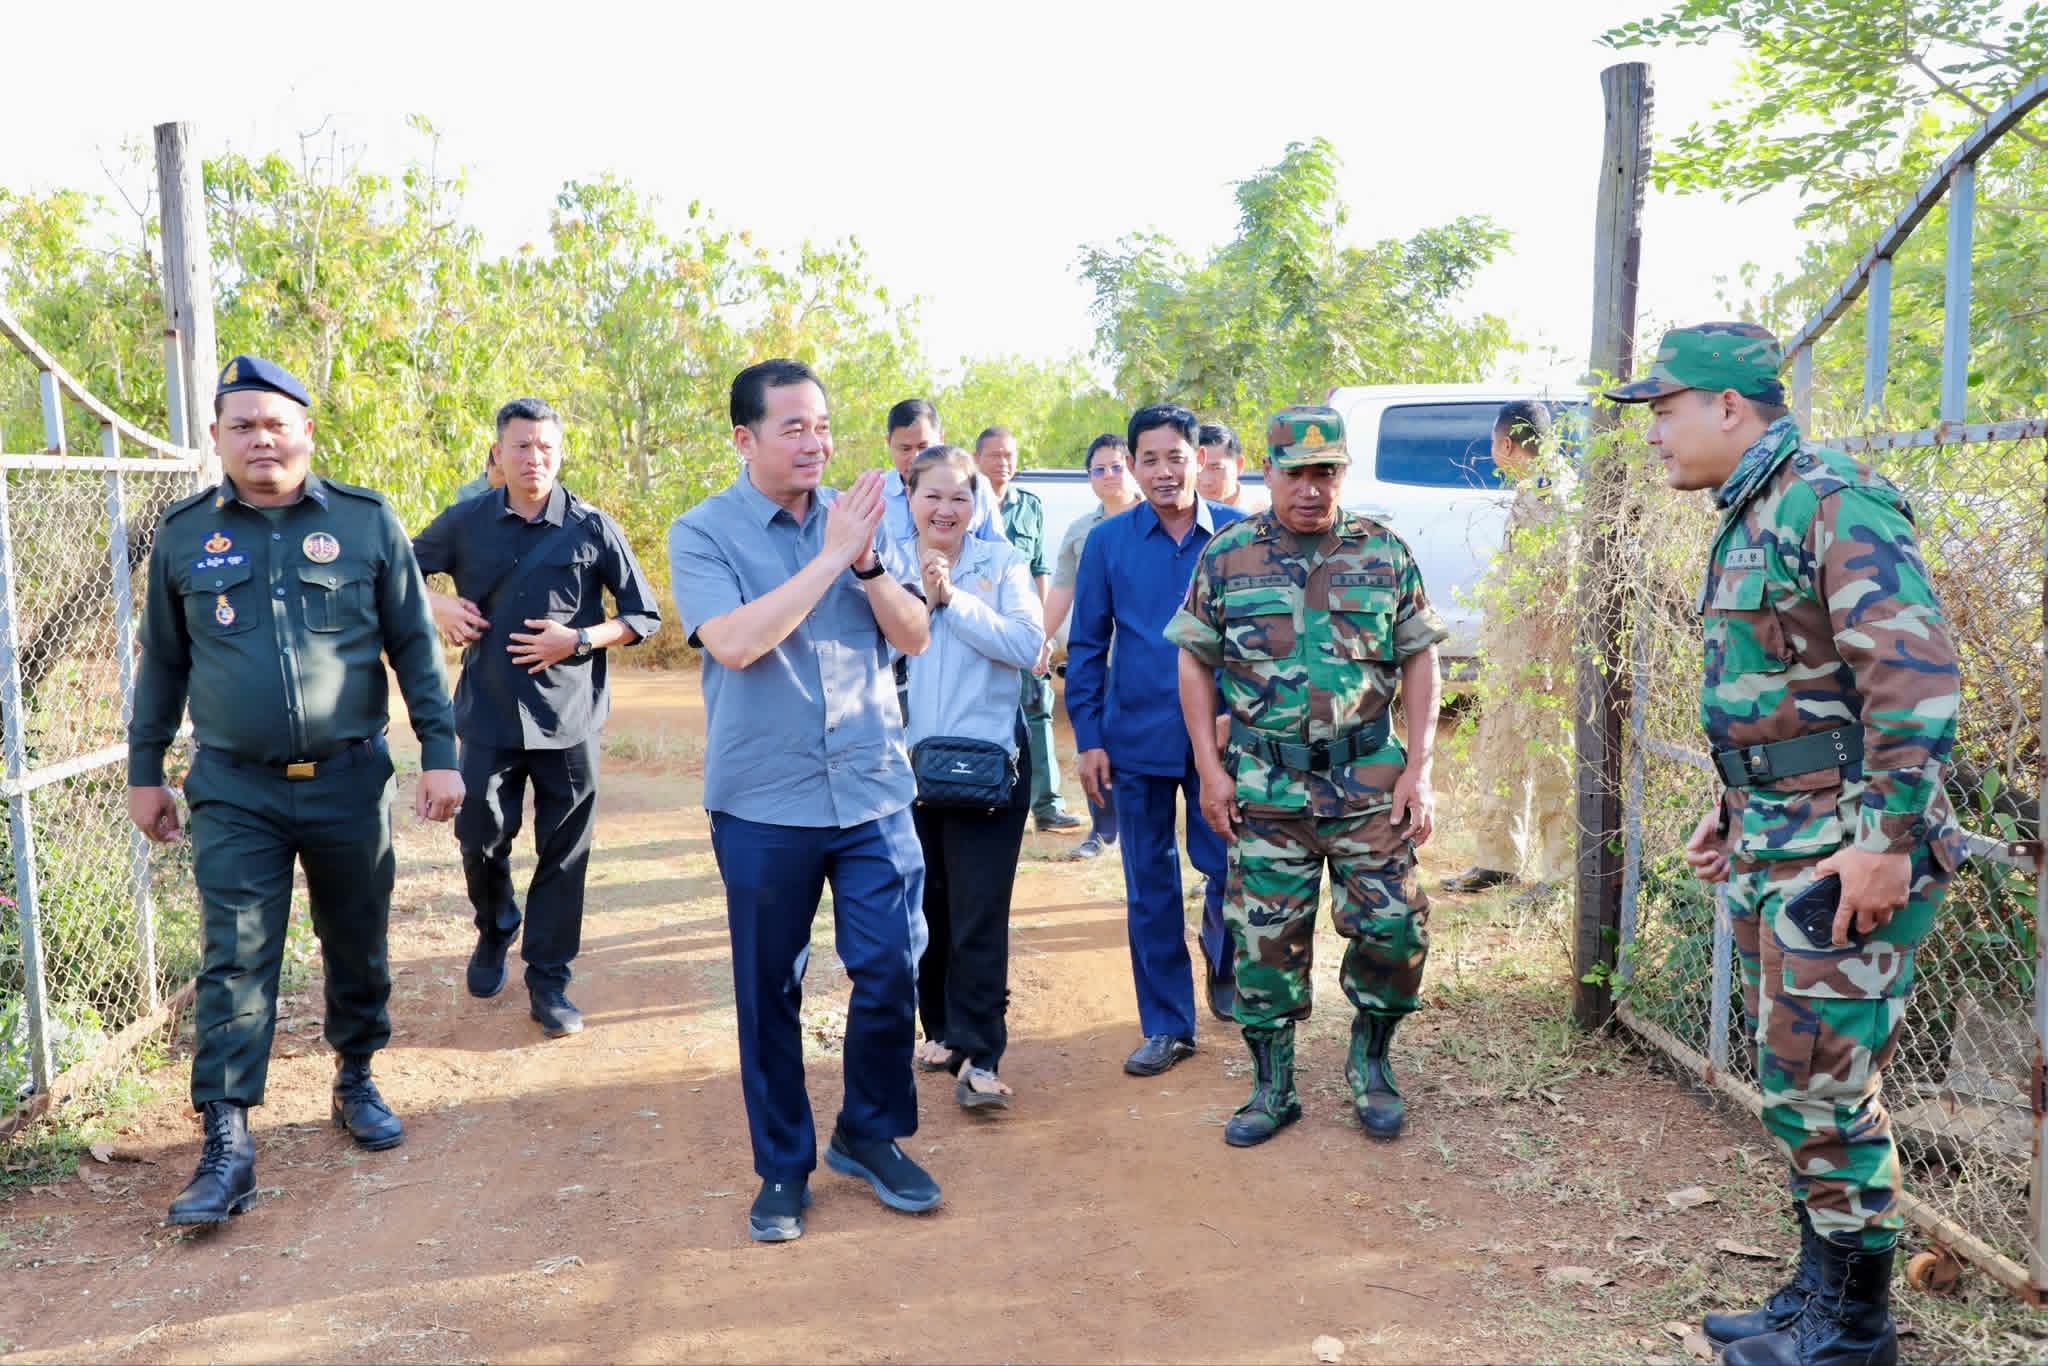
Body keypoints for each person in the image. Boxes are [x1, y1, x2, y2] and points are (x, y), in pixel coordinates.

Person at [1608, 323, 1964, 1366]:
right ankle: (1816, 1294)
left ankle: (1852, 1329)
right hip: (1785, 831)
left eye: (1664, 410)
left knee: (1823, 1086)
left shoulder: (1828, 498)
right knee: (1795, 1080)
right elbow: (1795, 688)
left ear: (1728, 407)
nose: (1654, 433)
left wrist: (1885, 843)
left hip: (1848, 846)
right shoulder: (1754, 508)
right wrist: (1733, 804)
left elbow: (1914, 679)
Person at [127, 355, 463, 1225]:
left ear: (307, 432)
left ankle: (356, 1076)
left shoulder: (365, 522)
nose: (261, 440)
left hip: (349, 778)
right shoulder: (185, 536)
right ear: (217, 438)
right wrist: (143, 769)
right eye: (242, 426)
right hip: (235, 786)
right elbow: (163, 662)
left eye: (276, 424)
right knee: (236, 952)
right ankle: (227, 1140)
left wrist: (440, 751)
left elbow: (415, 646)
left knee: (356, 937)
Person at [668, 359, 938, 1244]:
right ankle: (783, 1167)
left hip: (871, 789)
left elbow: (915, 635)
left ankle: (869, 1131)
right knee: (769, 990)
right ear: (744, 440)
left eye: (822, 425)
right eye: (793, 427)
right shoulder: (702, 532)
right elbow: (736, 642)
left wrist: (867, 563)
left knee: (892, 967)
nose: (815, 442)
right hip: (763, 801)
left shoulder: (862, 522)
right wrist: (829, 559)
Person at [1168, 406, 1445, 1146]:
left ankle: (1371, 1064)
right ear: (1268, 471)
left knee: (1395, 930)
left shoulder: (1383, 552)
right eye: (1296, 472)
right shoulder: (1229, 556)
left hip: (1369, 786)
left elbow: (1421, 656)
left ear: (1343, 472)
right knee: (1263, 948)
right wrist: (1209, 771)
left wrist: (1419, 769)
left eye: (1327, 472)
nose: (1312, 488)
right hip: (1265, 788)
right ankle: (1273, 1087)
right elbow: (1194, 660)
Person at [412, 397, 662, 1038]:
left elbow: (642, 617)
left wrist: (577, 640)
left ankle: (549, 979)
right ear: (498, 453)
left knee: (564, 852)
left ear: (560, 452)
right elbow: (395, 570)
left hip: (569, 718)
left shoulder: (592, 527)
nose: (534, 458)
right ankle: (495, 924)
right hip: (489, 713)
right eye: (521, 446)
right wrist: (439, 606)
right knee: (478, 835)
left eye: (546, 446)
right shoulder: (465, 522)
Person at [1065, 404, 1246, 1073]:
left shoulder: (1239, 536)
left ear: (1199, 459)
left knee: (1230, 868)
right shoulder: (1108, 543)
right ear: (1133, 466)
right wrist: (1090, 737)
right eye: (1150, 459)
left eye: (1176, 457)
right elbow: (1087, 647)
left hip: (1223, 740)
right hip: (1135, 739)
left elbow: (1266, 641)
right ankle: (1168, 1025)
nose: (1164, 471)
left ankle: (1225, 959)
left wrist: (1244, 717)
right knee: (1150, 884)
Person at [899, 445, 1043, 1110]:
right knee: (926, 908)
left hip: (988, 768)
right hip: (903, 770)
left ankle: (982, 1056)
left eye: (959, 496)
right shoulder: (884, 565)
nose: (945, 509)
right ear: (910, 498)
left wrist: (951, 599)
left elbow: (1026, 646)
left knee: (979, 911)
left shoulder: (1003, 564)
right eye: (932, 495)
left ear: (976, 504)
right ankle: (942, 1030)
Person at [1443, 401, 1576, 895]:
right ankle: (1498, 861)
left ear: (1506, 445)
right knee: (1504, 753)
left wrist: (1539, 660)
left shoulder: (1548, 493)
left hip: (1540, 660)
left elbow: (1555, 580)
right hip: (1520, 654)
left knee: (1552, 761)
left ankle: (1560, 873)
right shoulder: (1539, 486)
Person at [976, 425, 1080, 834]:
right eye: (994, 454)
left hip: (1021, 625)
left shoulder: (1029, 506)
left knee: (1038, 708)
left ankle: (1048, 806)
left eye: (1009, 455)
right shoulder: (966, 502)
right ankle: (984, 795)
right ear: (978, 459)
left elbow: (1040, 569)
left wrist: (1042, 630)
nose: (1002, 462)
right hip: (979, 627)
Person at [1045, 434, 1141, 859]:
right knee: (1095, 737)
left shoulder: (1158, 519)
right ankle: (1103, 830)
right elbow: (1062, 590)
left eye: (1116, 466)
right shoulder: (1081, 531)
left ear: (1132, 467)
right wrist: (1040, 639)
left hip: (1148, 657)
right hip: (1099, 654)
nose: (1108, 476)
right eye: (1098, 469)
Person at [880, 398, 1004, 545]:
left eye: (923, 447)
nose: (916, 457)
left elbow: (999, 550)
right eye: (905, 449)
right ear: (889, 442)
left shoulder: (975, 485)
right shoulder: (876, 494)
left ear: (941, 438)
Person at [1196, 421, 1264, 512]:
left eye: (1216, 468)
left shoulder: (1263, 513)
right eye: (1198, 467)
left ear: (1239, 465)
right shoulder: (1180, 513)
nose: (1206, 481)